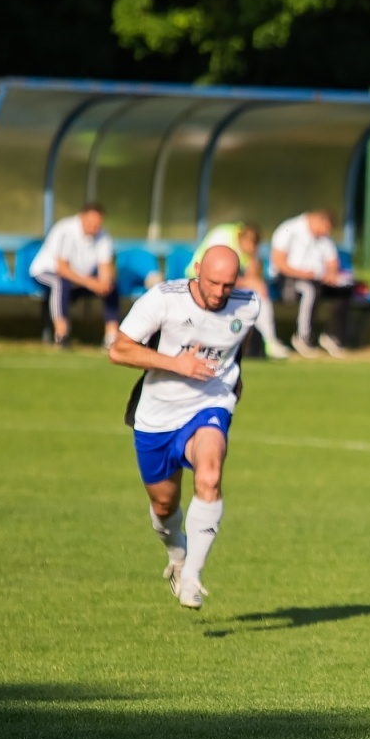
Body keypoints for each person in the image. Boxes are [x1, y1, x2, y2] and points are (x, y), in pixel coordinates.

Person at [107, 246, 261, 609]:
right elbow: (119, 350)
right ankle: (178, 554)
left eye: (228, 284)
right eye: (213, 282)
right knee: (164, 505)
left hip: (210, 405)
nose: (220, 292)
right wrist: (177, 364)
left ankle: (192, 575)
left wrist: (234, 380)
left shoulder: (249, 305)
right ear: (197, 270)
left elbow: (234, 345)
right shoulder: (164, 299)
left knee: (210, 476)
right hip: (157, 415)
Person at [187, 222, 290, 359]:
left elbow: (252, 277)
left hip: (226, 283)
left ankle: (270, 342)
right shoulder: (222, 239)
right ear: (244, 240)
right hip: (199, 280)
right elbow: (215, 277)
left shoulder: (247, 244)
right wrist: (248, 282)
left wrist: (253, 257)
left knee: (258, 295)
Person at [31, 203, 119, 349]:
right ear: (81, 218)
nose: (94, 228)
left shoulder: (103, 234)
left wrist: (104, 283)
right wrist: (90, 283)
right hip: (47, 272)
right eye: (91, 224)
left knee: (111, 286)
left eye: (97, 225)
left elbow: (105, 265)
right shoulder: (65, 230)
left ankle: (112, 337)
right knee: (60, 283)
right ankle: (62, 334)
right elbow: (62, 269)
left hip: (80, 278)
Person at [270, 208, 351, 359]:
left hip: (317, 279)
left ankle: (332, 336)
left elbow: (332, 261)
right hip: (289, 279)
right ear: (316, 221)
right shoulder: (288, 229)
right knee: (310, 290)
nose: (326, 232)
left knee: (344, 289)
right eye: (325, 227)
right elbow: (279, 262)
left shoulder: (323, 237)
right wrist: (304, 274)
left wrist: (331, 274)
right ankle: (303, 337)